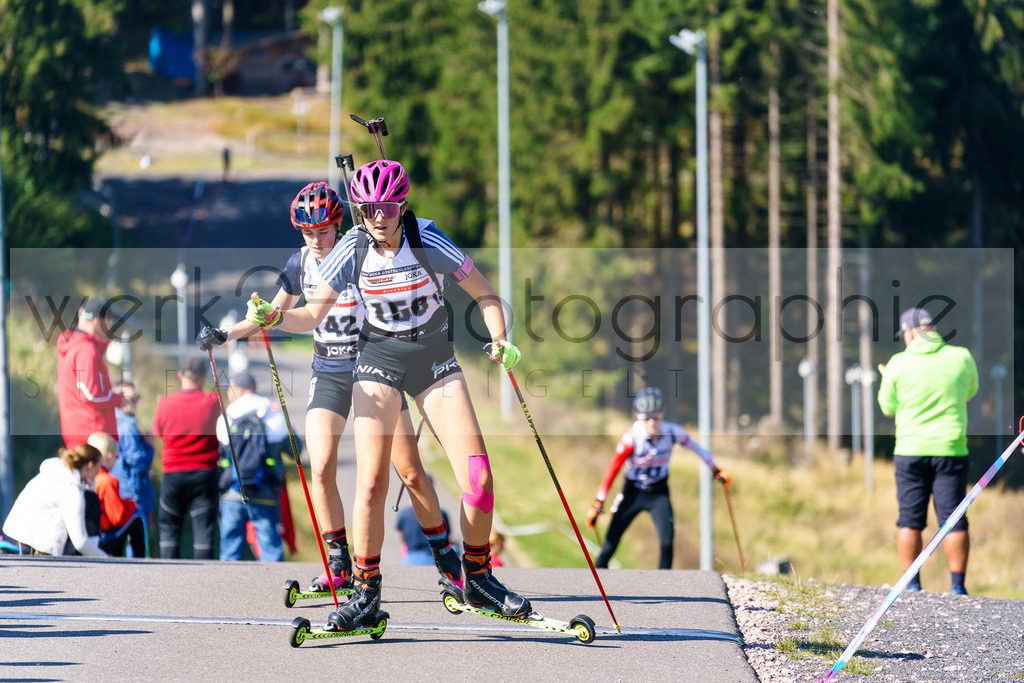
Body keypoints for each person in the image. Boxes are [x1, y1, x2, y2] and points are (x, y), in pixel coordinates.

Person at [242, 160, 529, 630]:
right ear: (359, 209)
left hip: (434, 359)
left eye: (389, 207)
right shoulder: (352, 247)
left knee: (478, 478)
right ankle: (365, 593)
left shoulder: (429, 240)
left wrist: (499, 338)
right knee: (372, 483)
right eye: (369, 208)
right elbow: (311, 315)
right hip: (379, 361)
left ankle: (476, 576)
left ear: (402, 205)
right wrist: (275, 320)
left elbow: (487, 295)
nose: (379, 217)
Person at [197, 181, 460, 591]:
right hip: (330, 371)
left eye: (323, 231)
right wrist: (227, 333)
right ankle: (339, 563)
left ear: (338, 225)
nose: (316, 240)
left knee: (409, 473)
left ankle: (446, 557)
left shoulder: (360, 252)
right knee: (319, 467)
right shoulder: (299, 263)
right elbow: (272, 314)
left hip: (377, 370)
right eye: (308, 232)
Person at [877, 307, 978, 595]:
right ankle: (957, 586)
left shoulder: (897, 364)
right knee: (954, 517)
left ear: (910, 333)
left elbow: (888, 407)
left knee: (910, 518)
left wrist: (889, 378)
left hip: (910, 449)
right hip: (951, 448)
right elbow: (969, 391)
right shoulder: (962, 357)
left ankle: (912, 585)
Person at [586, 387, 730, 569]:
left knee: (667, 543)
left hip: (658, 493)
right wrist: (599, 502)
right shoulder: (631, 438)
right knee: (609, 545)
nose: (652, 422)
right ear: (638, 416)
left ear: (663, 414)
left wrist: (715, 469)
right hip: (633, 493)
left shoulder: (672, 432)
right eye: (646, 418)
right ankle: (595, 585)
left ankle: (664, 585)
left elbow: (696, 447)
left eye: (656, 417)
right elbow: (612, 470)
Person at [151, 356, 221, 559]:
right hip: (205, 473)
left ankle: (169, 576)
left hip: (174, 473)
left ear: (180, 375)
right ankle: (204, 580)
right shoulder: (213, 402)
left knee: (169, 527)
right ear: (202, 378)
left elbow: (158, 432)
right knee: (204, 529)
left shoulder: (165, 403)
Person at [215, 371, 287, 562]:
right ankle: (274, 587)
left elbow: (222, 453)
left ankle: (228, 590)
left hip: (233, 491)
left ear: (238, 389)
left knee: (230, 549)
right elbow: (295, 448)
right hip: (265, 490)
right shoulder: (273, 412)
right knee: (270, 547)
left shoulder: (227, 416)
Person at [2, 444, 108, 557]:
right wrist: (107, 560)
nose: (98, 472)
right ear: (90, 465)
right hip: (30, 549)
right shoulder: (71, 490)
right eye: (98, 467)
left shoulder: (51, 473)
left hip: (12, 537)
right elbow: (80, 542)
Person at [57, 297, 121, 449]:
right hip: (92, 437)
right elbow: (90, 395)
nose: (110, 326)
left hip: (83, 433)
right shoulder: (85, 349)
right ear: (98, 322)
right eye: (109, 320)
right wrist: (118, 399)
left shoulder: (77, 345)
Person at [110, 378, 156, 548]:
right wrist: (149, 447)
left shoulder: (115, 422)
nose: (134, 402)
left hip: (122, 488)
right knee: (138, 546)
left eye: (136, 397)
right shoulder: (127, 426)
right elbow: (137, 461)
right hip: (133, 492)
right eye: (130, 398)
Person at [87, 432, 147, 558]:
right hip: (100, 540)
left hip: (87, 536)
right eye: (116, 457)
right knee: (136, 516)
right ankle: (140, 561)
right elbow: (118, 518)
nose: (116, 461)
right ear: (109, 458)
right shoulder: (107, 480)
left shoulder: (88, 476)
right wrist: (131, 505)